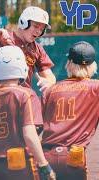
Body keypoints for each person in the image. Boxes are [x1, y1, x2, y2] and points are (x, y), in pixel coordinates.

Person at [0, 46, 56, 180]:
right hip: (23, 165)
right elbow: (29, 134)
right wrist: (43, 164)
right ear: (22, 67)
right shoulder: (27, 95)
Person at [41, 41, 98, 180]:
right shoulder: (95, 88)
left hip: (46, 157)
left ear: (69, 63)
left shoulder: (50, 90)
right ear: (92, 66)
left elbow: (35, 126)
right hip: (74, 157)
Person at [0, 6, 56, 92]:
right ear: (23, 22)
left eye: (42, 29)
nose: (39, 32)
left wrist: (49, 82)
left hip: (23, 97)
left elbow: (50, 76)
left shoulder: (37, 48)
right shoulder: (4, 37)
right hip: (1, 96)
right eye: (36, 26)